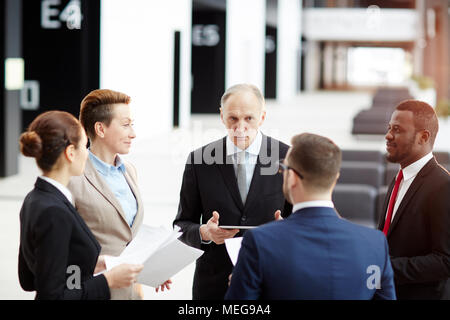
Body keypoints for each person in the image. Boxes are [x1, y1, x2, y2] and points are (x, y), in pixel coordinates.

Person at [225, 133, 396, 300]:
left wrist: (241, 283)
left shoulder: (260, 241)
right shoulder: (375, 243)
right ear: (335, 178)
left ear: (291, 177)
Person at [173, 84, 291, 300]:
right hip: (215, 284)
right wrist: (204, 233)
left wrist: (288, 230)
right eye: (233, 119)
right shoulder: (199, 160)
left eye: (249, 118)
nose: (240, 127)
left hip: (271, 279)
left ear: (262, 117)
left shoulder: (287, 157)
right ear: (221, 116)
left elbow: (301, 220)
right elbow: (181, 224)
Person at [18, 111, 143, 300]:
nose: (87, 153)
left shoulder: (35, 198)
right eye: (84, 146)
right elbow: (53, 295)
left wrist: (100, 264)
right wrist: (108, 280)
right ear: (70, 153)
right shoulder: (54, 212)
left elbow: (29, 277)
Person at [68, 89, 170, 299]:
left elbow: (128, 236)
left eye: (132, 124)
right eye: (126, 125)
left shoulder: (129, 171)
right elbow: (62, 249)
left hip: (132, 291)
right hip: (93, 291)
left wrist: (154, 268)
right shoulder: (73, 178)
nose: (133, 133)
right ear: (100, 129)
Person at [378, 99, 450, 299]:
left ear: (423, 137)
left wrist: (384, 267)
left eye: (398, 130)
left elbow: (445, 260)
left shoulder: (443, 186)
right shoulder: (398, 178)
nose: (388, 135)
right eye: (389, 128)